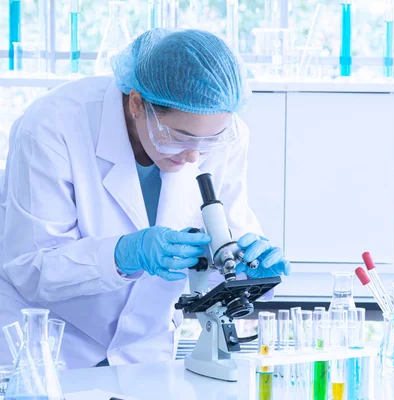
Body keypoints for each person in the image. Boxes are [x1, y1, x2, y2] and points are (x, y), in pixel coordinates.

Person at [0, 29, 290, 369]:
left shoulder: (225, 134)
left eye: (207, 143)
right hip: (52, 346)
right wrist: (124, 255)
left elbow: (220, 252)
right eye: (180, 137)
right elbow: (31, 268)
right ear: (137, 103)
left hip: (145, 351)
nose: (194, 157)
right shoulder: (53, 126)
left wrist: (250, 270)